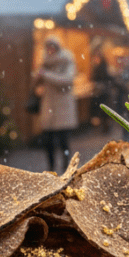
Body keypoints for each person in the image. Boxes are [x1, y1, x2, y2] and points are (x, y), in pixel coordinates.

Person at [33, 35, 78, 172]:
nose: (50, 50)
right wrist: (38, 77)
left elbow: (67, 80)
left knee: (64, 141)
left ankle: (66, 167)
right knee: (48, 142)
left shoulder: (67, 61)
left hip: (63, 108)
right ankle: (51, 168)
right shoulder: (44, 63)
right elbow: (36, 82)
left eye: (52, 47)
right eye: (48, 47)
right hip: (48, 107)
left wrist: (46, 75)